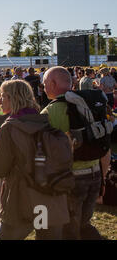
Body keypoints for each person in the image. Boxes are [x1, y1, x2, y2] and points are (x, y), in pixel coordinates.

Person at [0, 79, 69, 240]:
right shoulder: (44, 120)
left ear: (13, 98)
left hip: (22, 202)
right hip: (50, 199)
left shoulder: (9, 128)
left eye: (3, 96)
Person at [42, 66, 110, 240]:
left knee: (69, 230)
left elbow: (44, 153)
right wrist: (103, 177)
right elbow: (105, 146)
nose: (43, 88)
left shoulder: (49, 112)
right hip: (95, 174)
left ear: (52, 83)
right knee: (83, 225)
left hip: (71, 180)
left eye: (44, 84)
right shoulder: (90, 104)